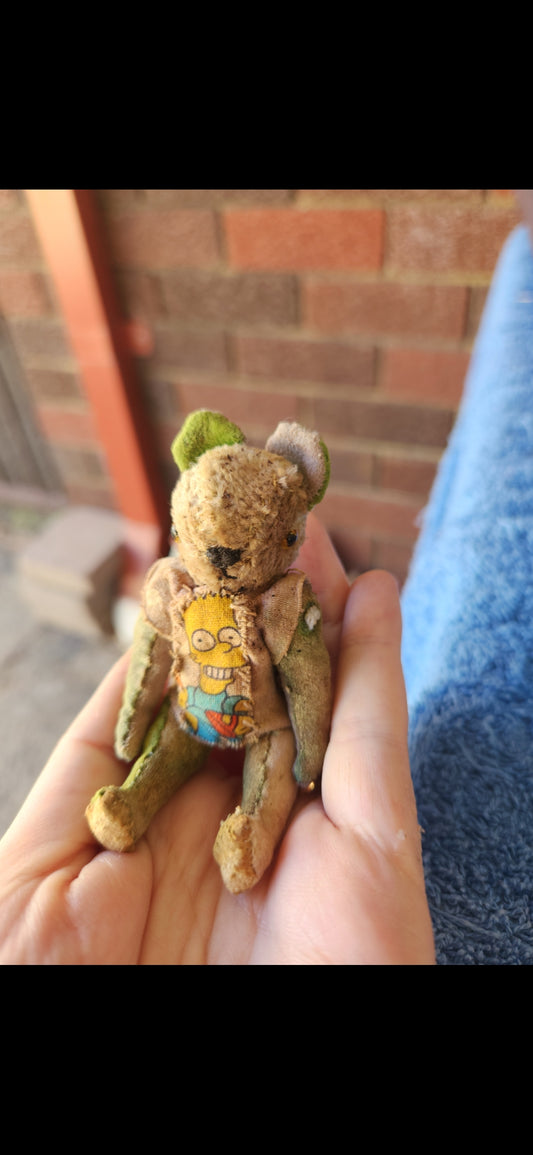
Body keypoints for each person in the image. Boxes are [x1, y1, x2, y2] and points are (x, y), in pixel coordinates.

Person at [0, 513, 435, 965]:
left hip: (267, 725)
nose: (225, 553)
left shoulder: (282, 603)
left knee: (272, 771)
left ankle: (249, 839)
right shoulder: (172, 587)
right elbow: (149, 661)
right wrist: (131, 725)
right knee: (162, 751)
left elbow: (307, 681)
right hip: (187, 716)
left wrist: (311, 754)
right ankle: (130, 804)